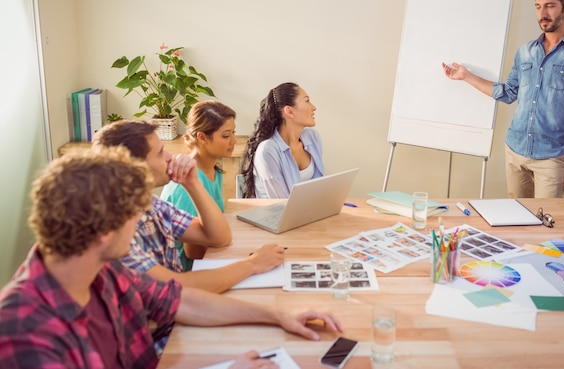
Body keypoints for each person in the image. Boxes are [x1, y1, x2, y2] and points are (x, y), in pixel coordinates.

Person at [0, 148, 342, 369]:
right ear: (104, 231)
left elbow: (179, 301)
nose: (140, 221)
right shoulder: (24, 333)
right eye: (135, 214)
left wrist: (279, 316)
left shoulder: (104, 271)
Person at [442, 0, 564, 198]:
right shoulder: (525, 52)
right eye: (538, 6)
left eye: (550, 5)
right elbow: (509, 93)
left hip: (552, 158)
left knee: (547, 226)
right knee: (517, 221)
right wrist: (466, 76)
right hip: (515, 151)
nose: (542, 13)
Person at [92, 120, 285, 294]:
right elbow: (177, 287)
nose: (170, 157)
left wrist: (191, 182)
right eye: (160, 153)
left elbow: (219, 238)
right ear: (133, 168)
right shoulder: (113, 230)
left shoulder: (149, 203)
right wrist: (252, 264)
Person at [160, 100, 238, 271]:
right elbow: (193, 252)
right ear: (202, 137)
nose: (234, 140)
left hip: (209, 258)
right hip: (189, 271)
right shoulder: (186, 183)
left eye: (233, 132)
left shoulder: (213, 170)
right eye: (226, 135)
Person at [240, 82, 324, 198]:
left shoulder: (312, 137)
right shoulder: (268, 150)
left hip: (307, 213)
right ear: (289, 111)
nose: (313, 107)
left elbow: (318, 187)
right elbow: (281, 204)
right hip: (277, 214)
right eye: (307, 100)